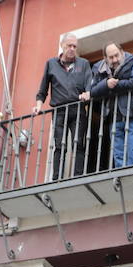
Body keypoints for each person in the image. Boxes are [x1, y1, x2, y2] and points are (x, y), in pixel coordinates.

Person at [34, 31, 93, 179]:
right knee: (59, 145)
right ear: (62, 46)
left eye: (75, 46)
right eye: (69, 45)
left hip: (78, 109)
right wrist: (38, 105)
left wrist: (88, 93)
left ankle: (78, 176)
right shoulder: (51, 64)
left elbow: (89, 85)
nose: (72, 48)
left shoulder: (83, 64)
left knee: (78, 143)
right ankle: (56, 178)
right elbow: (43, 89)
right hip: (59, 111)